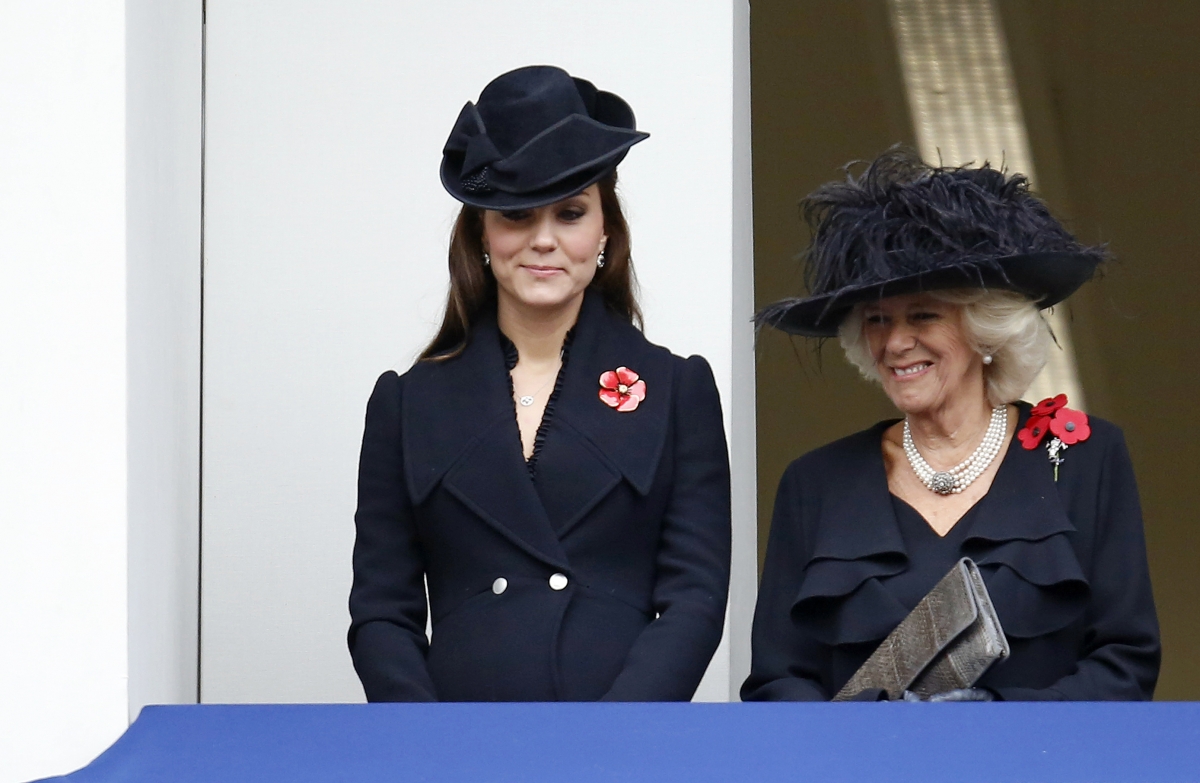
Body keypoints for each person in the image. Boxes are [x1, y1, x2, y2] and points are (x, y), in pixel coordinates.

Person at [348, 65, 731, 702]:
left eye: (571, 212)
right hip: (458, 750)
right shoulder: (406, 402)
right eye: (518, 215)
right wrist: (427, 744)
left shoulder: (675, 388)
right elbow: (381, 610)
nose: (544, 240)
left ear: (605, 230)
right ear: (482, 233)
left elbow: (694, 598)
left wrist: (612, 739)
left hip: (620, 749)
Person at [742, 149, 1160, 701]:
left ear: (985, 328)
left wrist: (995, 723)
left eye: (923, 315)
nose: (895, 343)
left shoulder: (1084, 457)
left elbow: (1124, 664)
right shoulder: (816, 483)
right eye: (876, 320)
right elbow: (778, 681)